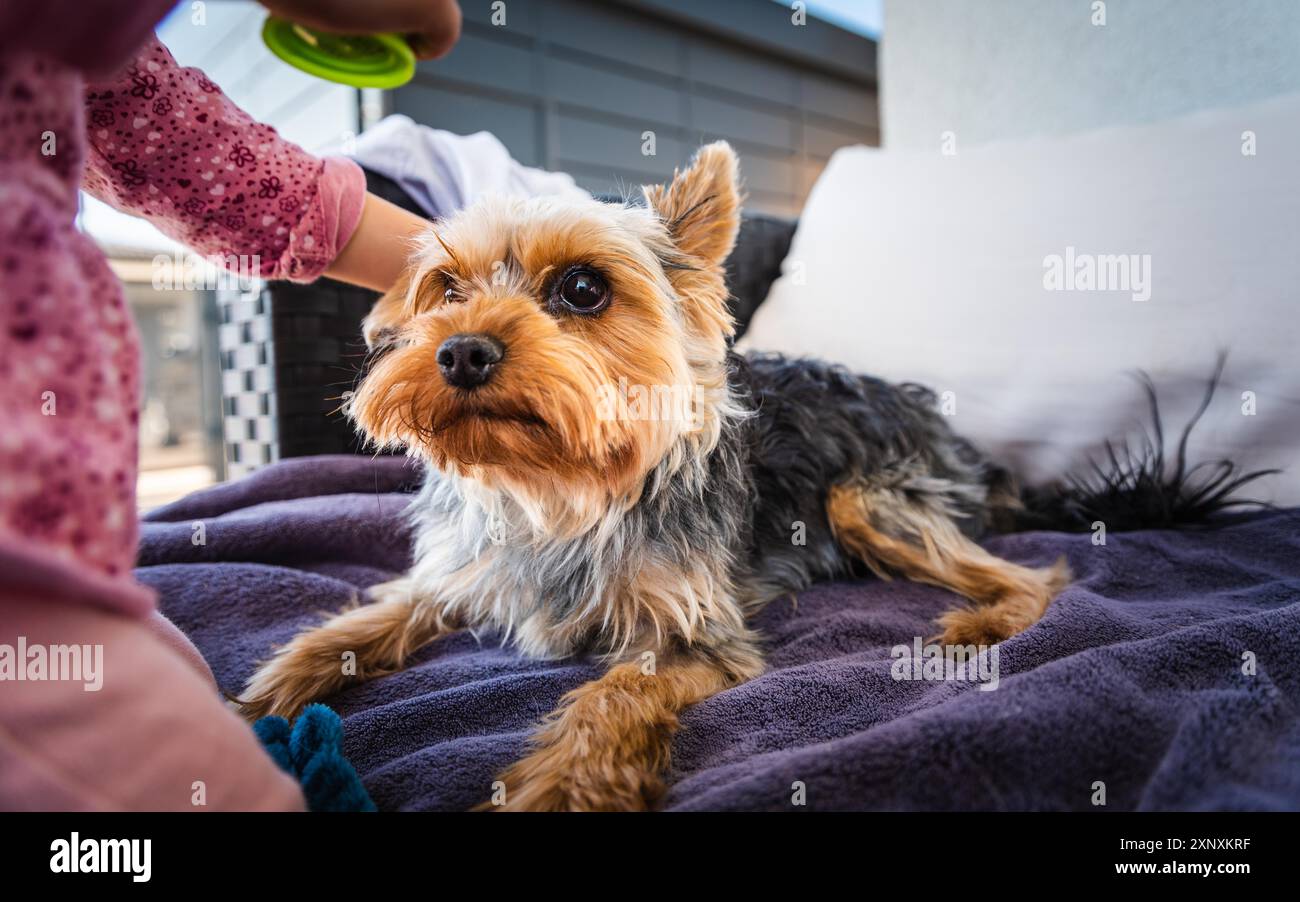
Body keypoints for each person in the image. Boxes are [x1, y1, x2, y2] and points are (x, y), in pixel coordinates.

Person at [0, 0, 462, 810]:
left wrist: (473, 268)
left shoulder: (74, 75)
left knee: (184, 670)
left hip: (57, 543)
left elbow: (206, 161)